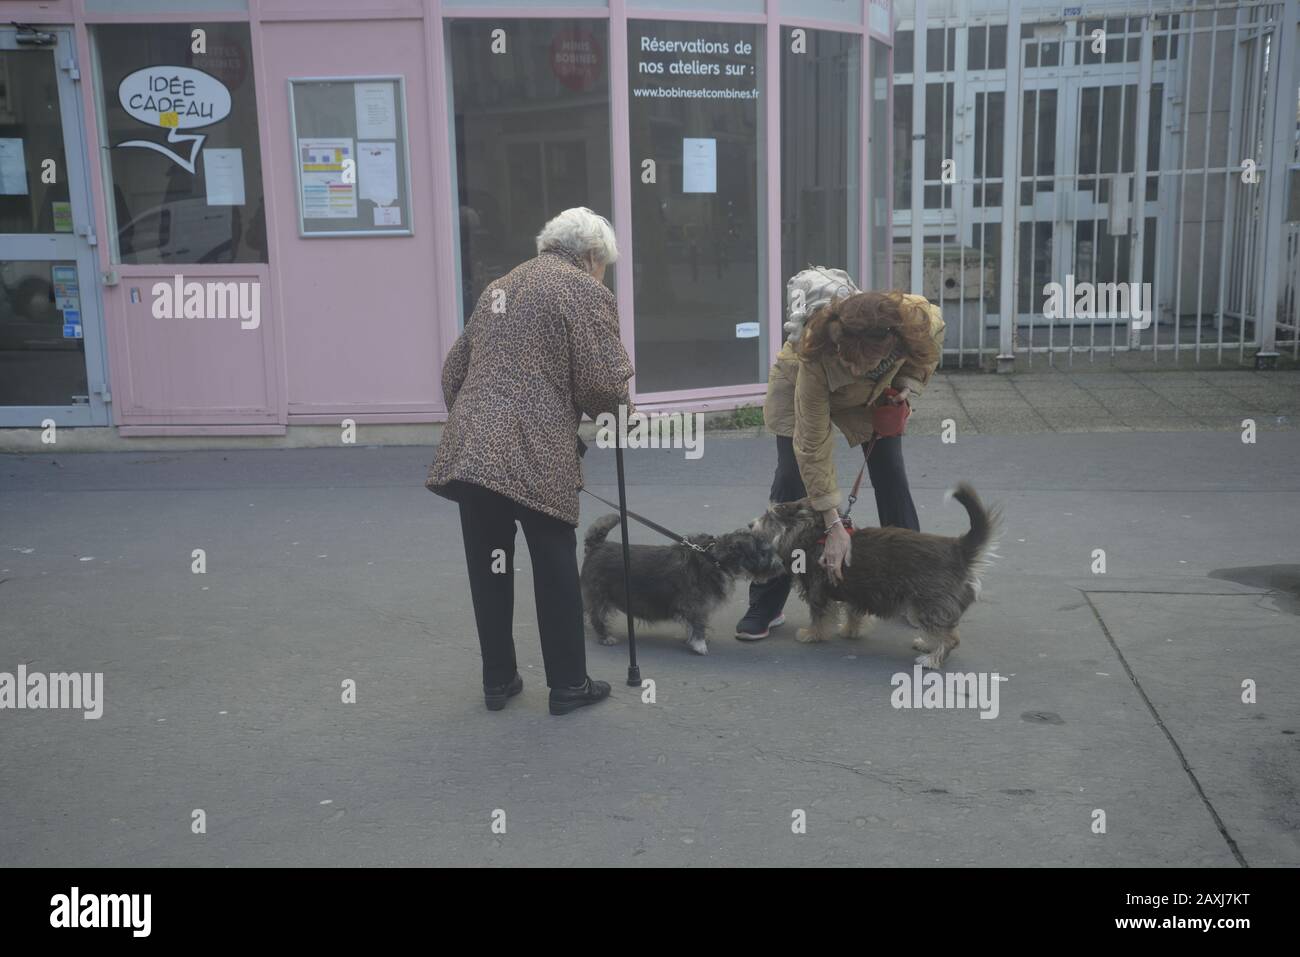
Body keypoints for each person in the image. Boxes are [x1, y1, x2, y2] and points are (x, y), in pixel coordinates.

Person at [426, 207, 633, 715]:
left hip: (472, 448)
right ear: (590, 256)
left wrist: (480, 424)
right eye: (603, 263)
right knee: (554, 563)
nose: (603, 272)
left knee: (489, 565)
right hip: (537, 451)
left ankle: (498, 680)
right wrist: (618, 414)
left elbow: (454, 370)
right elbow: (603, 383)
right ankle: (568, 685)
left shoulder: (501, 283)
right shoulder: (582, 289)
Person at [736, 280, 946, 640]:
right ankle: (767, 603)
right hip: (799, 392)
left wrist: (909, 383)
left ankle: (916, 588)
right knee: (791, 484)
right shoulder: (812, 358)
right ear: (839, 345)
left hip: (874, 398)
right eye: (850, 362)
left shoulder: (917, 318)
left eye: (870, 362)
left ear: (891, 342)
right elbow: (813, 445)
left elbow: (929, 348)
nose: (858, 369)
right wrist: (834, 525)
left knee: (891, 475)